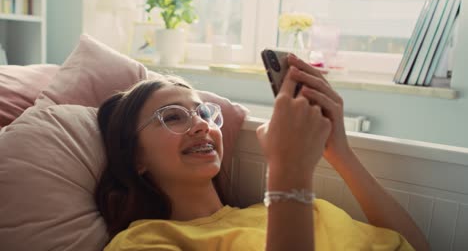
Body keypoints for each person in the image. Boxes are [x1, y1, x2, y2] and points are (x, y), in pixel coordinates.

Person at [96, 54, 430, 251]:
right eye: (172, 117)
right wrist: (288, 174)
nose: (200, 125)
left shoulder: (300, 208)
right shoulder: (145, 242)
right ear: (136, 158)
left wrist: (339, 150)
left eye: (203, 113)